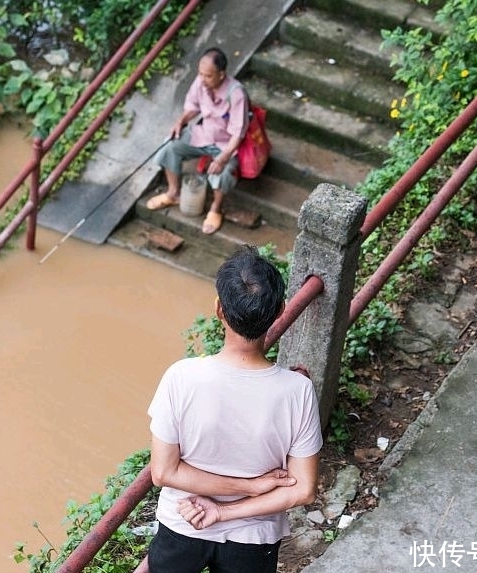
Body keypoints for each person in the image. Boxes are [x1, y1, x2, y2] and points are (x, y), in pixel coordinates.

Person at [146, 245, 322, 573]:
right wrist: (248, 490)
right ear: (280, 310)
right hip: (254, 538)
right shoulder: (298, 391)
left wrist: (222, 508)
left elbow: (163, 472)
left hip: (184, 521)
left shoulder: (181, 377)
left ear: (218, 310)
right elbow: (303, 489)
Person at [146, 47, 248, 235]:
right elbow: (193, 107)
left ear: (221, 74)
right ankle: (172, 193)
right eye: (200, 74)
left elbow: (238, 134)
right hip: (202, 134)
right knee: (170, 146)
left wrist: (222, 159)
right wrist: (181, 121)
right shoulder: (200, 82)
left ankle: (215, 209)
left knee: (224, 172)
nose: (203, 79)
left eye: (208, 76)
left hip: (225, 145)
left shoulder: (236, 94)